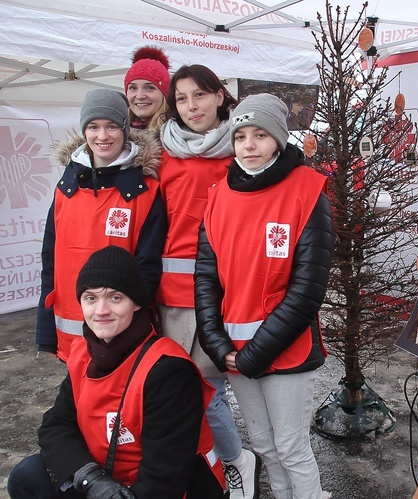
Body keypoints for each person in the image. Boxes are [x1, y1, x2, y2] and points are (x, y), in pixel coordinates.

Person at [195, 93, 334, 499]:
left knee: (291, 448)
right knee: (265, 446)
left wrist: (256, 353)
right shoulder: (218, 196)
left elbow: (308, 290)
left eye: (259, 135)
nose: (249, 145)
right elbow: (206, 278)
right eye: (240, 136)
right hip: (234, 349)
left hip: (286, 348)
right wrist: (216, 343)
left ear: (278, 139)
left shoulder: (307, 193)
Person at [9, 246, 224, 498]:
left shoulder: (168, 369)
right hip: (105, 481)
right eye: (91, 298)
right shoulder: (83, 354)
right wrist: (89, 478)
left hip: (166, 490)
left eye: (115, 297)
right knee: (28, 475)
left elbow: (164, 480)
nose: (101, 310)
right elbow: (56, 425)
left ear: (136, 304)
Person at [158, 65, 259, 499]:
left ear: (220, 96)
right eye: (181, 98)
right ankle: (216, 465)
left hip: (223, 297)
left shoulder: (241, 151)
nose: (191, 106)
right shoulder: (164, 153)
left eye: (199, 95)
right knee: (184, 393)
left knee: (208, 394)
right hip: (170, 300)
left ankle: (236, 460)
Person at [36, 89, 166, 362]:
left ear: (125, 129)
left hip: (122, 331)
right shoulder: (65, 189)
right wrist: (45, 330)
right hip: (70, 328)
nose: (102, 136)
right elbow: (50, 261)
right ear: (84, 131)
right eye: (93, 127)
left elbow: (148, 266)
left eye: (111, 126)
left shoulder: (145, 192)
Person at [124, 46, 170, 133]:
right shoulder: (116, 135)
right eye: (133, 88)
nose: (140, 96)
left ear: (165, 94)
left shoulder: (179, 137)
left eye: (149, 88)